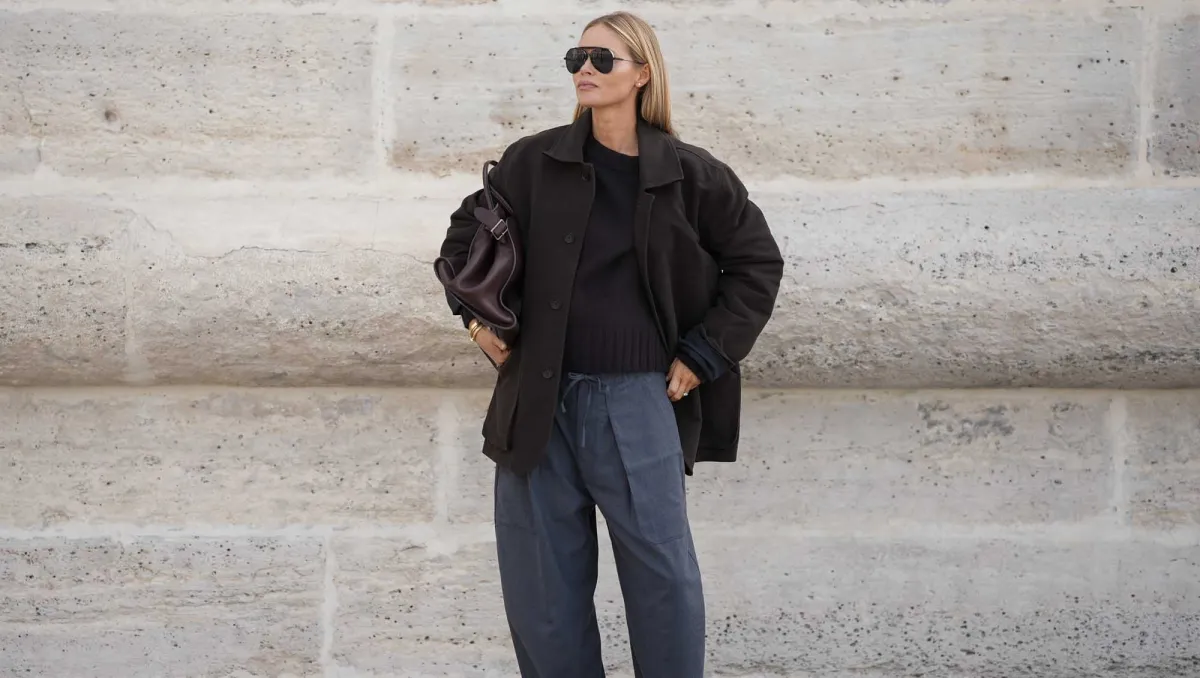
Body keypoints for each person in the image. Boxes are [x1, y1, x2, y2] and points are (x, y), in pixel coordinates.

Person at [438, 11, 783, 677]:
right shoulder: (532, 162)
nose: (586, 70)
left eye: (603, 59)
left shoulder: (691, 175)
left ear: (643, 74)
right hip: (535, 402)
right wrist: (478, 323)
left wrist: (705, 354)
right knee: (542, 594)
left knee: (662, 581)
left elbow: (756, 263)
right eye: (577, 59)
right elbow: (462, 241)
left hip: (636, 402)